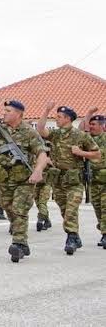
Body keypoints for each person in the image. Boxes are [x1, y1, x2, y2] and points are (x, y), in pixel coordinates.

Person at [0, 98, 49, 263]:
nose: (4, 113)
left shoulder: (29, 132)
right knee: (8, 207)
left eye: (8, 111)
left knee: (19, 209)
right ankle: (22, 241)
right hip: (3, 179)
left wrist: (38, 170)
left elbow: (42, 153)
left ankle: (18, 243)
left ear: (19, 114)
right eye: (4, 110)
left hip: (24, 179)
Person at [37, 103, 100, 255]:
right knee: (65, 210)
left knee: (71, 209)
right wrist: (46, 110)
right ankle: (75, 236)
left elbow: (97, 155)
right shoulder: (56, 134)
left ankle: (71, 237)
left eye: (59, 117)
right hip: (58, 180)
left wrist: (81, 153)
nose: (56, 119)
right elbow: (40, 129)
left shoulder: (81, 136)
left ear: (68, 119)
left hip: (74, 181)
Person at [79, 110, 106, 248]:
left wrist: (81, 153)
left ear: (102, 126)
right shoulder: (89, 139)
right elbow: (80, 131)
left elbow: (99, 155)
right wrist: (88, 114)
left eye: (94, 124)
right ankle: (103, 230)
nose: (91, 127)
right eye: (90, 124)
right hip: (94, 180)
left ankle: (105, 235)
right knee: (98, 209)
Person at [34, 140, 53, 232]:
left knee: (42, 202)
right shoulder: (36, 156)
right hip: (37, 183)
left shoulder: (52, 157)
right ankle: (47, 220)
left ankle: (40, 220)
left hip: (47, 183)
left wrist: (51, 163)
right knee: (38, 202)